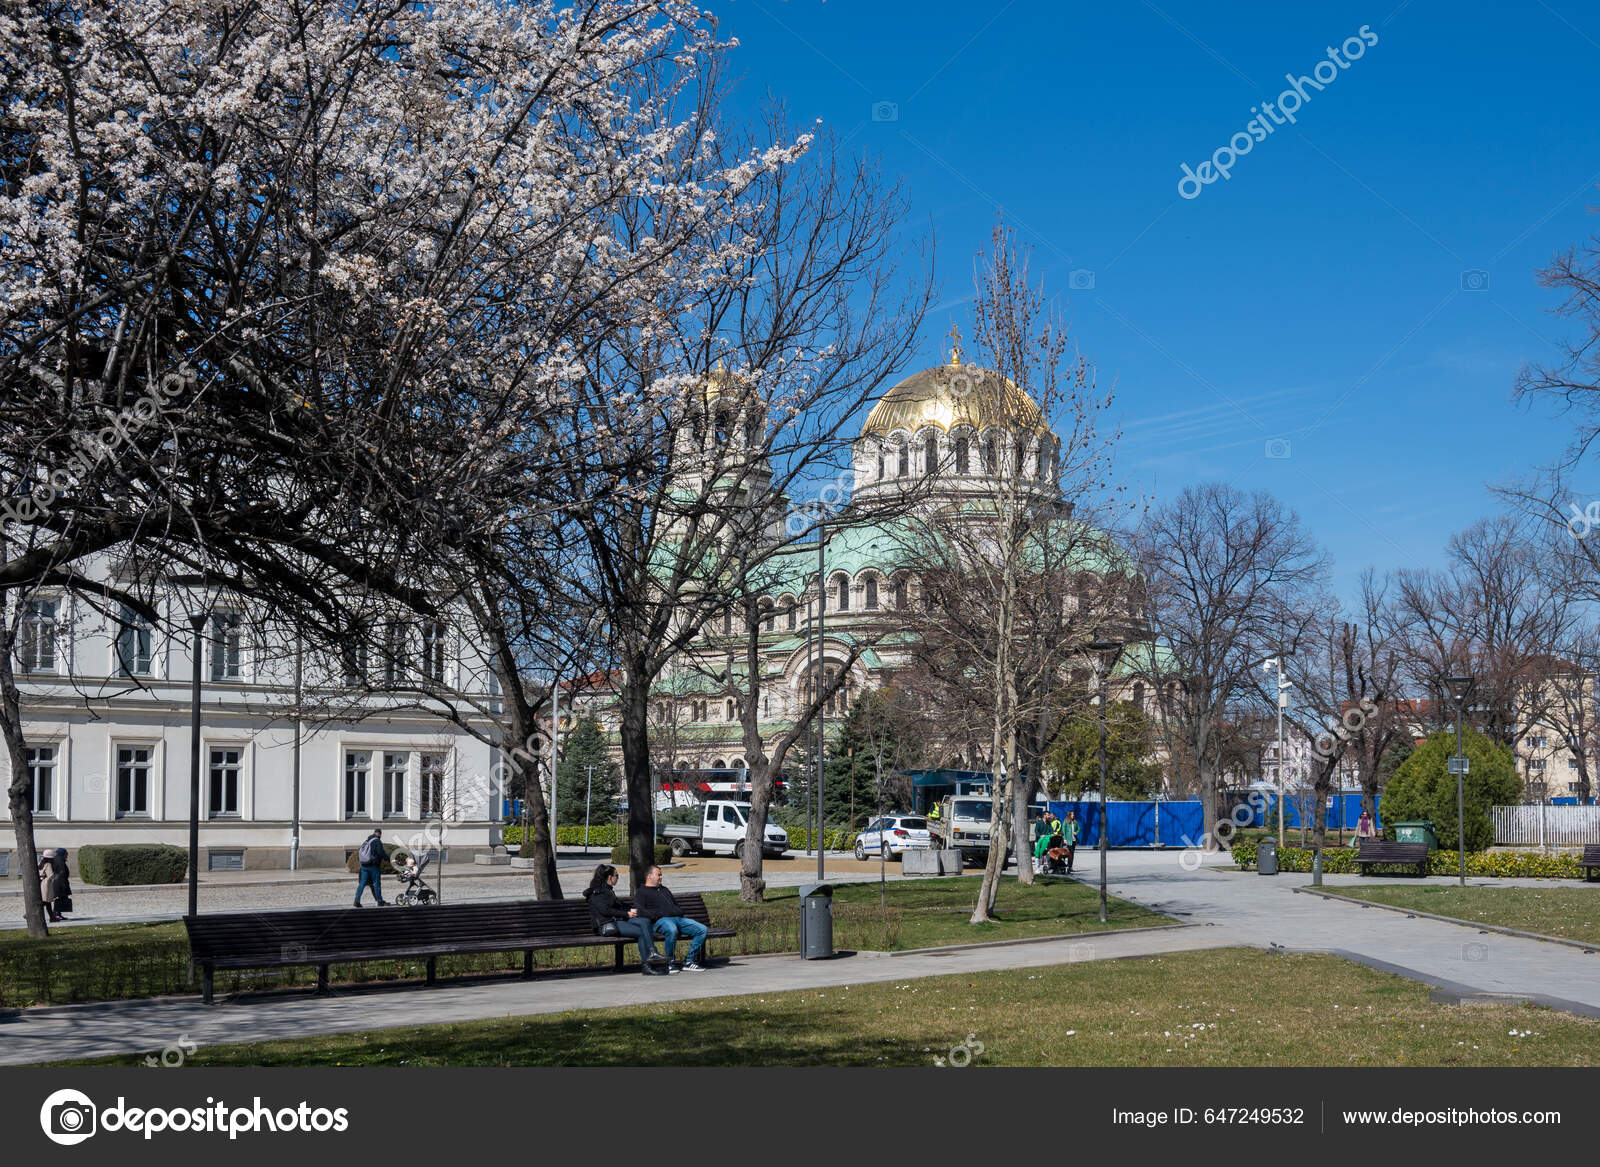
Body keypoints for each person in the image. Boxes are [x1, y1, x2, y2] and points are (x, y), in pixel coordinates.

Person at [583, 864, 668, 975]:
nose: (617, 878)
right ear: (609, 877)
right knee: (642, 933)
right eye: (616, 875)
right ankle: (648, 963)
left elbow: (618, 905)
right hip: (605, 925)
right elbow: (606, 911)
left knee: (644, 921)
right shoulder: (598, 892)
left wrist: (632, 910)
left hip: (615, 922)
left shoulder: (608, 890)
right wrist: (627, 914)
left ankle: (652, 955)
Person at [632, 865, 709, 971]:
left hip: (678, 919)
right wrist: (659, 914)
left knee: (702, 929)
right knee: (672, 930)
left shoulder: (664, 890)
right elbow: (640, 911)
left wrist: (677, 912)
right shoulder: (642, 892)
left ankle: (688, 961)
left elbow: (675, 906)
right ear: (649, 876)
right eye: (658, 875)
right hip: (660, 921)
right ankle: (670, 962)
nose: (661, 877)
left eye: (661, 875)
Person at [354, 828, 388, 906]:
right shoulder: (377, 841)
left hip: (364, 866)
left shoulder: (367, 841)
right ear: (379, 834)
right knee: (376, 883)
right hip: (373, 866)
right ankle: (379, 901)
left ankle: (356, 901)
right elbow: (380, 853)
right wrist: (388, 859)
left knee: (362, 883)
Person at [38, 847, 69, 923]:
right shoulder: (48, 864)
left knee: (47, 902)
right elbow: (50, 875)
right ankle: (29, 913)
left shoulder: (40, 863)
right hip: (46, 884)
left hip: (41, 883)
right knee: (45, 901)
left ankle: (52, 917)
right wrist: (58, 875)